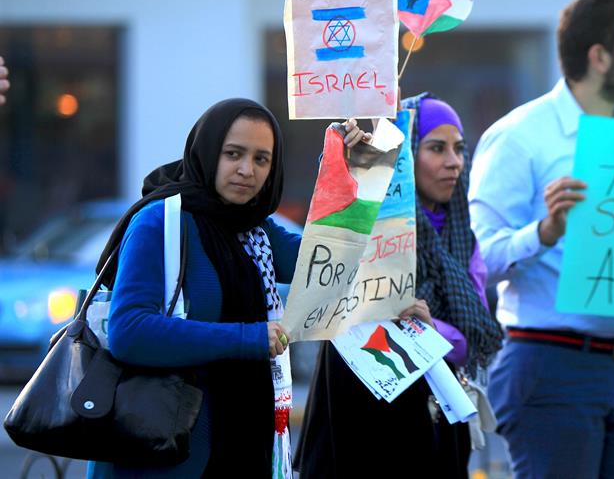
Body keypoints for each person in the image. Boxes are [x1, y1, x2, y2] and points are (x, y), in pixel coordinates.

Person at [87, 98, 368, 478]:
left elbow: (327, 262)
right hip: (166, 455)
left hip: (242, 447)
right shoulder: (160, 221)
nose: (246, 170)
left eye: (261, 159)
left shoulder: (255, 229)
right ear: (207, 150)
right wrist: (248, 338)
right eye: (233, 153)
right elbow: (129, 331)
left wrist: (344, 170)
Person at [469, 0, 614, 478]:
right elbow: (476, 260)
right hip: (552, 366)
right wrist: (545, 232)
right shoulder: (520, 136)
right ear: (599, 56)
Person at [294, 94, 503, 479]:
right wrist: (346, 162)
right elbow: (335, 233)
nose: (453, 162)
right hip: (358, 412)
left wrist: (430, 327)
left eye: (459, 149)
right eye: (437, 148)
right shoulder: (374, 222)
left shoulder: (463, 238)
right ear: (406, 155)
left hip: (434, 421)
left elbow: (472, 338)